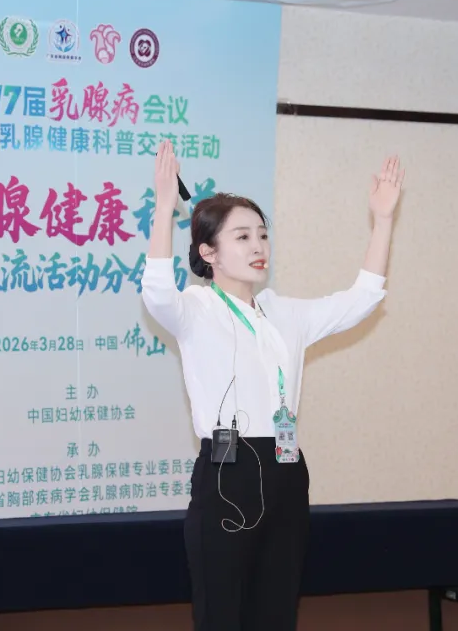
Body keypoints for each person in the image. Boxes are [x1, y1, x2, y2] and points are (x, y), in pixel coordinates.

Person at [140, 139, 404, 631]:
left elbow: (362, 299)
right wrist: (163, 206)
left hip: (286, 468)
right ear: (209, 252)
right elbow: (156, 291)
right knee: (223, 614)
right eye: (242, 237)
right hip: (228, 472)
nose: (258, 246)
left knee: (277, 613)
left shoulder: (283, 313)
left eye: (262, 234)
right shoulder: (196, 309)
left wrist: (384, 220)